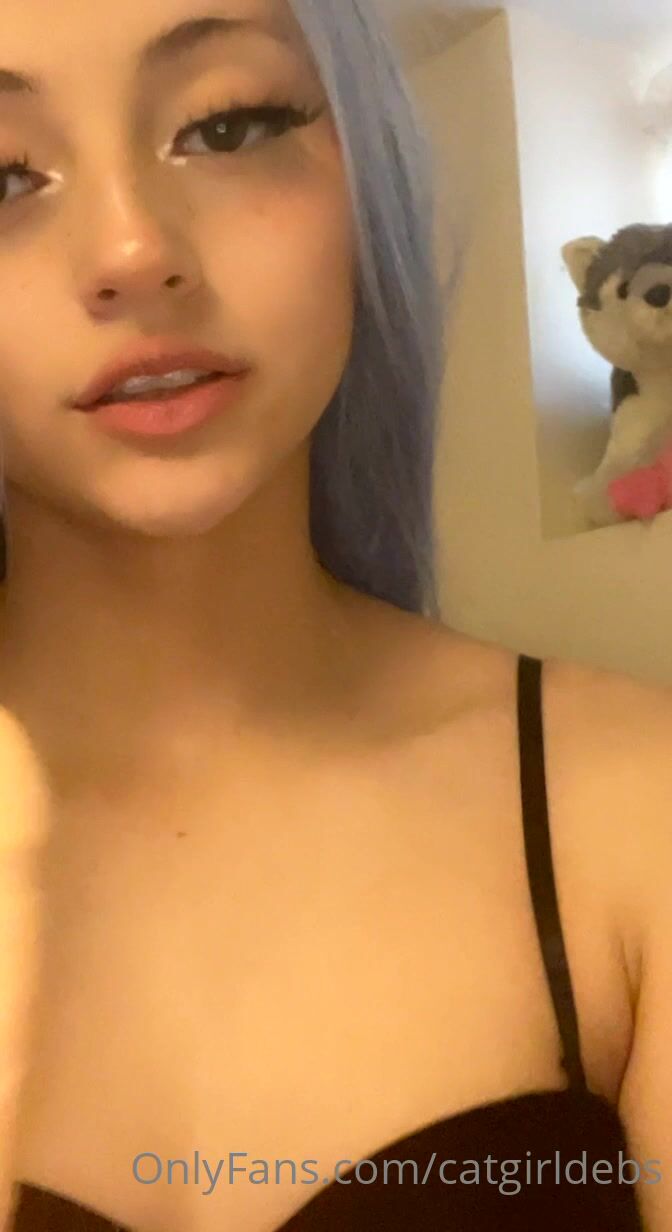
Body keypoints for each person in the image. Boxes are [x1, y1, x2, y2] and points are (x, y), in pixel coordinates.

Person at [0, 0, 670, 1228]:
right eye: (3, 176)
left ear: (365, 171)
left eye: (227, 125)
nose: (133, 247)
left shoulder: (635, 809)